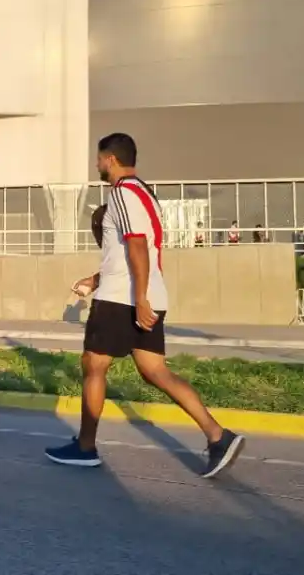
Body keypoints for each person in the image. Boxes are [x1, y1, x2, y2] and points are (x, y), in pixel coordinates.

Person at [46, 132, 245, 479]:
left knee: (94, 365)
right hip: (143, 291)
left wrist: (139, 299)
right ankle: (218, 436)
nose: (96, 165)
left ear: (110, 159)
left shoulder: (120, 193)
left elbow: (137, 247)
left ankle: (85, 447)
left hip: (124, 298)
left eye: (98, 159)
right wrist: (96, 279)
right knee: (156, 371)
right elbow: (132, 252)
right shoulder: (145, 194)